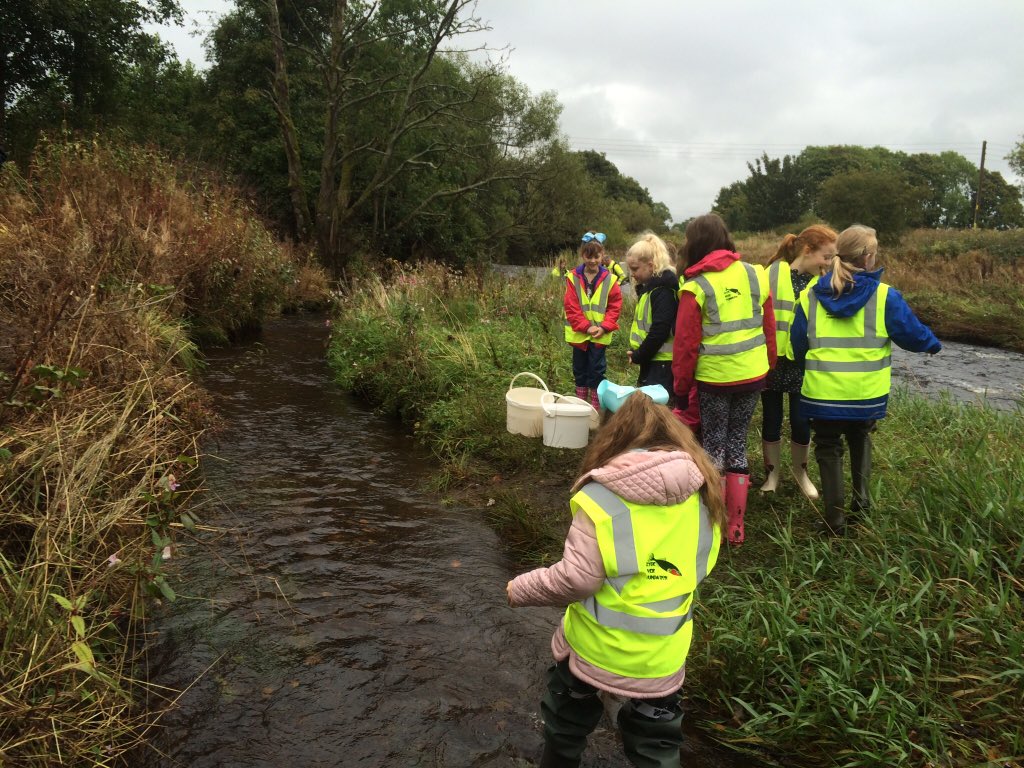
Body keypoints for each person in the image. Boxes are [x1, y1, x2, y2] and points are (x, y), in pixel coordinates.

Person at [506, 390, 724, 768]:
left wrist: (518, 588)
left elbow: (576, 579)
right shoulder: (704, 494)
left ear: (614, 439)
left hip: (595, 650)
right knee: (657, 746)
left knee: (564, 728)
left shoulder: (602, 497)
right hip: (663, 658)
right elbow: (699, 567)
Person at [790, 224, 941, 536]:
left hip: (823, 394)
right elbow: (913, 336)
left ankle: (834, 520)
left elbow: (797, 344)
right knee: (860, 437)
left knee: (828, 447)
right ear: (869, 257)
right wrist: (933, 344)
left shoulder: (810, 296)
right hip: (866, 395)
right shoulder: (886, 297)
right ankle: (862, 505)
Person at [672, 213, 776, 546]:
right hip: (752, 375)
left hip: (715, 380)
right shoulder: (755, 275)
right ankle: (737, 527)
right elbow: (769, 327)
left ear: (695, 244)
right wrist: (767, 366)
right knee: (737, 444)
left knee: (713, 447)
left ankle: (712, 521)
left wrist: (681, 387)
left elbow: (685, 345)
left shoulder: (695, 286)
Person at [759, 225, 838, 499]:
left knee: (801, 421)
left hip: (804, 364)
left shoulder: (825, 283)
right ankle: (772, 475)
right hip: (771, 361)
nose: (829, 263)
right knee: (771, 419)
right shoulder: (770, 273)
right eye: (826, 256)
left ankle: (800, 473)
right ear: (807, 250)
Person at [564, 231, 622, 411]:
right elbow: (571, 307)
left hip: (599, 336)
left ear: (602, 255)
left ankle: (595, 409)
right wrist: (586, 327)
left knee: (597, 371)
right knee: (579, 370)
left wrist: (604, 327)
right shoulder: (573, 277)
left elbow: (615, 307)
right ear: (582, 255)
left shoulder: (611, 279)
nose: (592, 261)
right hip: (579, 334)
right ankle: (581, 405)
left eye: (596, 256)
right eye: (588, 256)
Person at [624, 233, 677, 399]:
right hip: (653, 360)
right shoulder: (650, 289)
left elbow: (659, 331)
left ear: (651, 266)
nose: (632, 274)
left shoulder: (663, 291)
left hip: (662, 364)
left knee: (656, 413)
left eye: (635, 269)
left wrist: (640, 355)